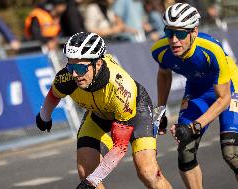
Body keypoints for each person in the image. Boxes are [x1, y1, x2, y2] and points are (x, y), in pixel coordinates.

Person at [36, 32, 173, 189]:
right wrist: (44, 116)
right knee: (85, 170)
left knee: (147, 171)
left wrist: (93, 180)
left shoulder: (120, 87)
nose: (74, 74)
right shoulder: (66, 77)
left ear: (98, 64)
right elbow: (55, 94)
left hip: (135, 113)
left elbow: (120, 147)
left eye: (80, 68)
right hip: (99, 114)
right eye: (71, 66)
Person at [151, 3, 238, 189]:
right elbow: (163, 74)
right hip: (197, 89)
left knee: (231, 152)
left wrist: (194, 126)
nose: (174, 40)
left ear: (194, 31)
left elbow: (224, 99)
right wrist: (161, 109)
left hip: (228, 89)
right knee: (185, 151)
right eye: (169, 33)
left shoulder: (211, 50)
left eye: (181, 34)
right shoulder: (160, 50)